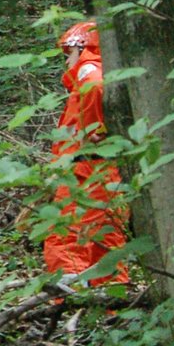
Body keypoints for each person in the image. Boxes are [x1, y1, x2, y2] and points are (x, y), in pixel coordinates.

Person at [43, 21, 128, 288]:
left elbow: (95, 85)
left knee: (65, 236)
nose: (66, 61)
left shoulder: (89, 69)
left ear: (81, 47)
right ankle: (112, 304)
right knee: (106, 238)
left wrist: (93, 129)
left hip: (86, 171)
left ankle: (72, 300)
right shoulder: (106, 71)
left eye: (68, 53)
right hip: (104, 170)